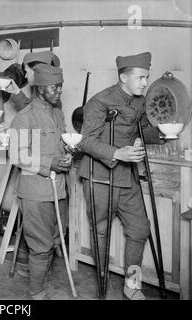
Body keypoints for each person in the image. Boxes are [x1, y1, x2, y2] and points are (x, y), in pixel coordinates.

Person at [76, 52, 164, 300]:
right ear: (123, 77)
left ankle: (131, 284)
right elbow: (85, 141)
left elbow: (143, 129)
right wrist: (118, 153)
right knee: (100, 232)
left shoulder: (140, 101)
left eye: (147, 77)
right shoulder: (99, 102)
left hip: (127, 178)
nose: (145, 83)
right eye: (141, 78)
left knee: (139, 229)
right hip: (99, 177)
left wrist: (162, 134)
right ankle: (101, 285)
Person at [9, 64, 71, 300]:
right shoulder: (24, 118)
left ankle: (41, 282)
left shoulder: (57, 113)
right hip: (35, 191)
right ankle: (36, 293)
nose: (59, 92)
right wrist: (49, 163)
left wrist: (67, 151)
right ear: (40, 88)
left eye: (61, 87)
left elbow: (61, 143)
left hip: (59, 189)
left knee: (56, 238)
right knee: (41, 244)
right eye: (55, 87)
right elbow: (16, 155)